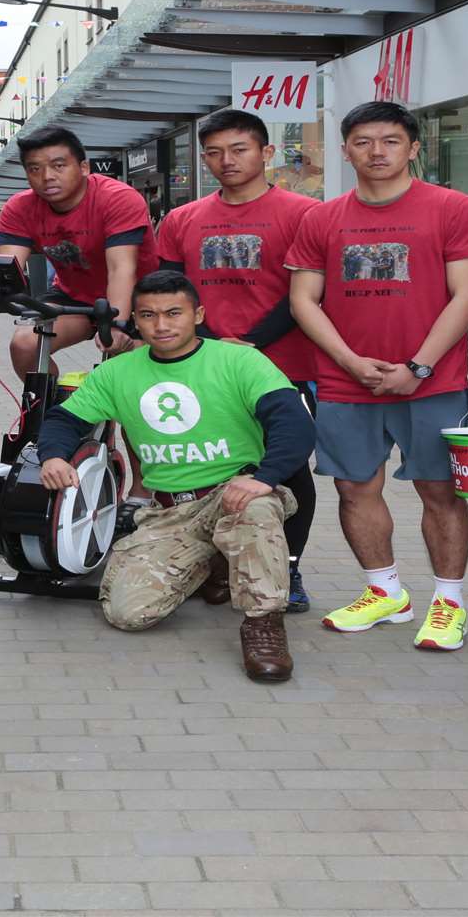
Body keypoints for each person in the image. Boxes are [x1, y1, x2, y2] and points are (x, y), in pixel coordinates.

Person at [35, 270, 314, 681]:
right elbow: (63, 420)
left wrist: (264, 477)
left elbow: (295, 425)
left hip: (232, 492)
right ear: (135, 319)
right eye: (148, 315)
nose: (161, 325)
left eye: (173, 313)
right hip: (169, 511)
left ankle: (263, 624)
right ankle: (214, 561)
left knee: (255, 509)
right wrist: (53, 457)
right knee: (128, 612)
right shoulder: (118, 372)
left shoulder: (239, 360)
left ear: (198, 314)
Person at [287, 100, 468, 652]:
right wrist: (352, 363)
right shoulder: (321, 218)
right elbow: (304, 300)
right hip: (344, 382)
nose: (377, 152)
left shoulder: (452, 209)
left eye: (391, 141)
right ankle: (384, 592)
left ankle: (448, 602)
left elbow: (466, 296)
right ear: (346, 149)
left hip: (434, 380)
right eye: (364, 141)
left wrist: (417, 366)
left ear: (414, 148)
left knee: (439, 488)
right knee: (355, 487)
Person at [157, 109, 321, 615]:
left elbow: (308, 293)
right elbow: (170, 292)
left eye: (239, 149)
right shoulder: (182, 219)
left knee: (286, 468)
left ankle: (287, 568)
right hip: (200, 363)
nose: (225, 161)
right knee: (208, 465)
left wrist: (249, 343)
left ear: (266, 153)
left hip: (281, 363)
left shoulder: (304, 214)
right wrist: (208, 342)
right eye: (214, 152)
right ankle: (215, 566)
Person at [0, 126, 156, 371]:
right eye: (35, 169)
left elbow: (121, 269)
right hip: (74, 296)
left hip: (136, 296)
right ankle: (50, 408)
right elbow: (4, 278)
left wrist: (116, 326)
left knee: (122, 366)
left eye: (58, 165)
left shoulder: (117, 198)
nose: (47, 176)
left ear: (84, 168)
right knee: (25, 344)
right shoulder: (20, 207)